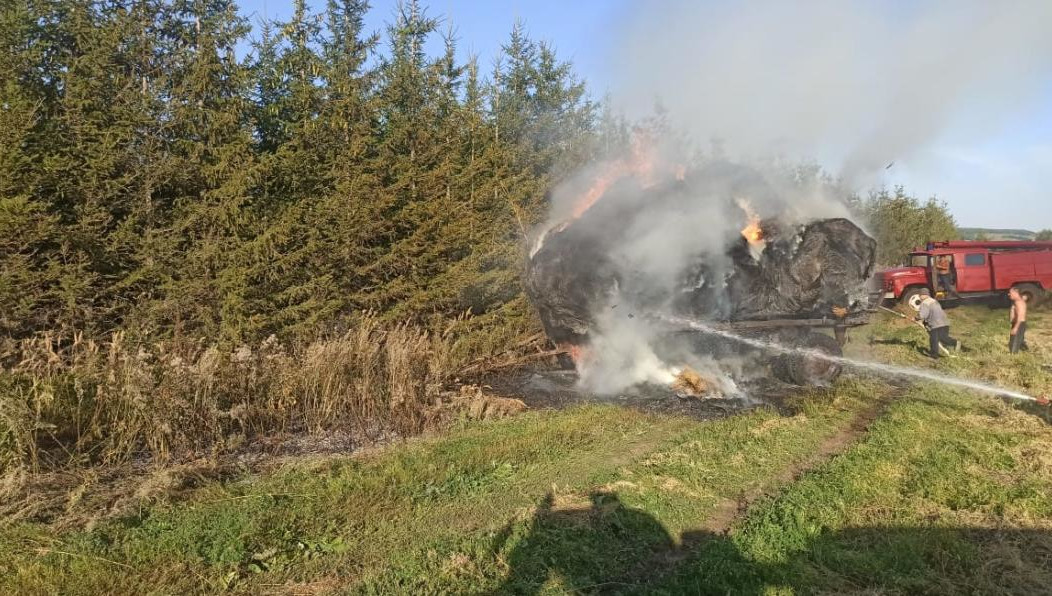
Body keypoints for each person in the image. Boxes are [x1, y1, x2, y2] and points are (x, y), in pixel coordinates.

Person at [916, 287, 960, 358]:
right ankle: (955, 343)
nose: (919, 297)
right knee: (943, 338)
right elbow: (931, 313)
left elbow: (922, 315)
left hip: (936, 324)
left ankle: (934, 355)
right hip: (945, 322)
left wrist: (915, 318)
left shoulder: (925, 303)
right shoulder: (933, 300)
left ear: (923, 295)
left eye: (920, 295)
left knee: (933, 339)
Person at [1008, 287, 1029, 353]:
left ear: (1015, 293)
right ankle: (1025, 350)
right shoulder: (1016, 302)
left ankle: (1013, 356)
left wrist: (1016, 328)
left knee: (1014, 346)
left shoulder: (1019, 303)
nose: (1009, 294)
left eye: (1010, 293)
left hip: (1019, 324)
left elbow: (1020, 317)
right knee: (1019, 340)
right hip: (1017, 323)